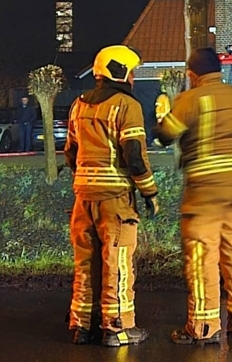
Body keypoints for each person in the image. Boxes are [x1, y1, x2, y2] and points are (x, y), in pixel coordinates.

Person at [155, 48, 232, 345]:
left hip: (203, 195)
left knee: (203, 258)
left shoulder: (190, 100)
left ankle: (204, 326)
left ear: (193, 73)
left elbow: (165, 134)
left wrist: (163, 113)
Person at [65, 45, 159, 347]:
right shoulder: (125, 106)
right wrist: (149, 192)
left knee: (86, 263)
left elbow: (70, 153)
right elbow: (134, 157)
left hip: (83, 196)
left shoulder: (78, 105)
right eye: (131, 71)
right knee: (116, 262)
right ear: (121, 72)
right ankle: (117, 328)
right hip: (115, 198)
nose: (133, 77)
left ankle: (82, 326)